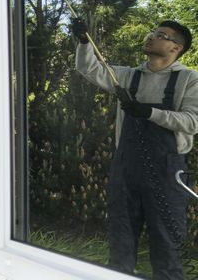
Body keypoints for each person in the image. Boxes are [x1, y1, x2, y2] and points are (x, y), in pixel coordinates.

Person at [72, 19, 198, 279]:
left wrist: (149, 112)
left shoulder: (189, 79)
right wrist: (84, 42)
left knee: (166, 250)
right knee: (120, 245)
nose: (151, 37)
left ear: (176, 48)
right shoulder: (128, 76)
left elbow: (192, 121)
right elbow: (88, 68)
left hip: (166, 174)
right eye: (152, 32)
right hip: (126, 171)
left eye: (161, 35)